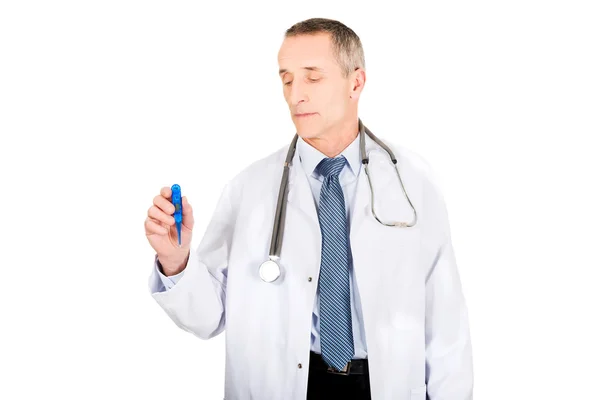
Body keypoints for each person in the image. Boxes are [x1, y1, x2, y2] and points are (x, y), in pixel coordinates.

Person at [145, 17, 473, 400]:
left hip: (388, 386)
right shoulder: (248, 188)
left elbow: (446, 327)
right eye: (286, 79)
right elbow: (205, 319)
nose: (295, 94)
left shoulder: (413, 184)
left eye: (312, 78)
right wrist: (176, 259)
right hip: (283, 386)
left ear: (356, 82)